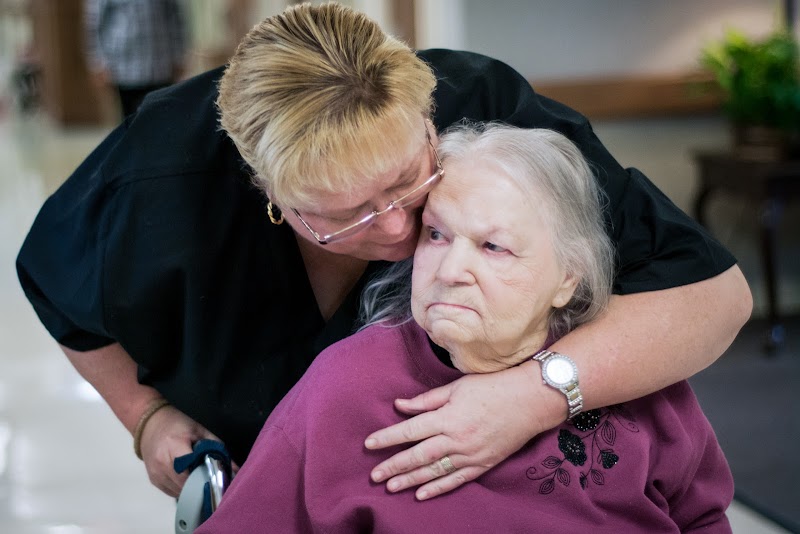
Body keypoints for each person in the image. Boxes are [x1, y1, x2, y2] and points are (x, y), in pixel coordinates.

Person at [16, 2, 750, 500]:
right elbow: (56, 287)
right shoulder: (158, 181)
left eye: (412, 181)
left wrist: (532, 396)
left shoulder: (490, 114)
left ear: (432, 114)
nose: (399, 233)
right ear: (266, 190)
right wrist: (145, 416)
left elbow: (715, 297)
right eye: (345, 218)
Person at [194, 123, 734, 533]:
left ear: (568, 278)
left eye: (494, 247)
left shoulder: (629, 373)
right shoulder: (343, 389)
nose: (450, 272)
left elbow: (704, 517)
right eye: (436, 236)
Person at [84, 0, 188, 117]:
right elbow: (94, 24)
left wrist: (179, 56)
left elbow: (175, 17)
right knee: (130, 121)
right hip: (124, 70)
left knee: (160, 119)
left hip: (160, 67)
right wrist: (98, 63)